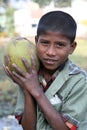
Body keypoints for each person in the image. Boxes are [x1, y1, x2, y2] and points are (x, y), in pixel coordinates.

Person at [3, 11, 87, 130]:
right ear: (36, 41)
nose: (50, 52)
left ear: (72, 47)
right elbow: (28, 128)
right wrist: (27, 89)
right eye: (45, 43)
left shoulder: (79, 81)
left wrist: (36, 91)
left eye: (60, 45)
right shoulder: (29, 75)